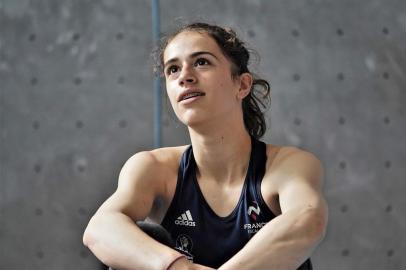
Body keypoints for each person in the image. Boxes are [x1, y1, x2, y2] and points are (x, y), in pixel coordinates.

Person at [83, 22, 328, 270]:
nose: (184, 76)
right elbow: (100, 229)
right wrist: (180, 268)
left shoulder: (288, 165)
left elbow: (307, 220)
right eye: (173, 69)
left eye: (201, 62)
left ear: (242, 85)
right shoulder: (153, 167)